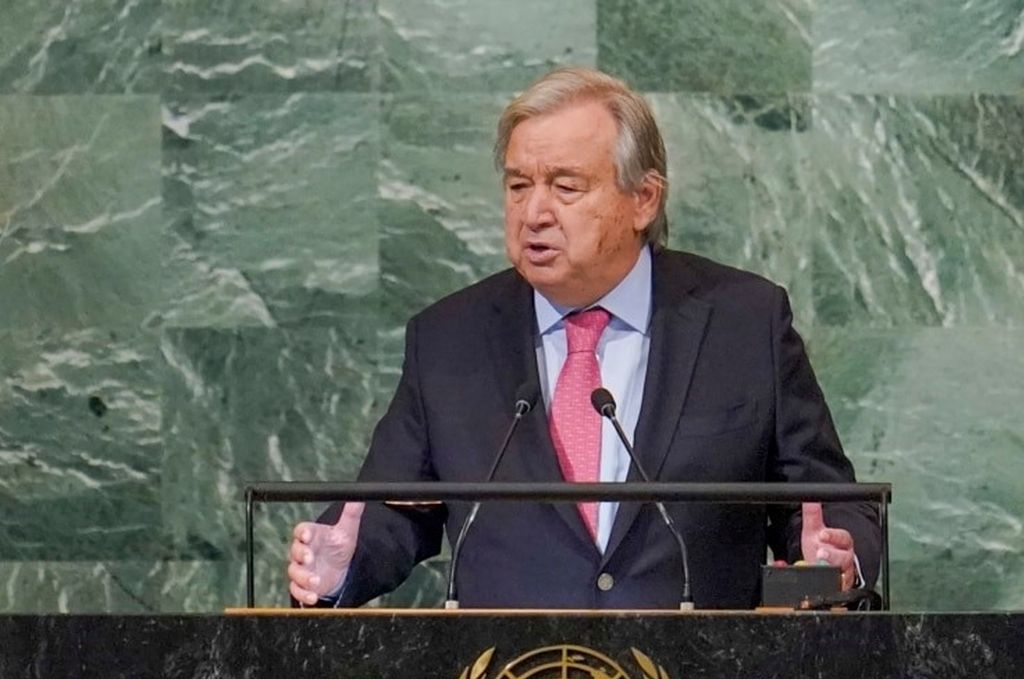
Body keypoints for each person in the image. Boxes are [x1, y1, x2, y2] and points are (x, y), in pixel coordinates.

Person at [287, 67, 880, 609]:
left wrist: (836, 557)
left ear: (643, 198)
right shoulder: (450, 338)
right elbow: (394, 510)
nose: (534, 213)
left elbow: (825, 503)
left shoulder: (742, 322)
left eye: (566, 187)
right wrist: (342, 566)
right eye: (519, 186)